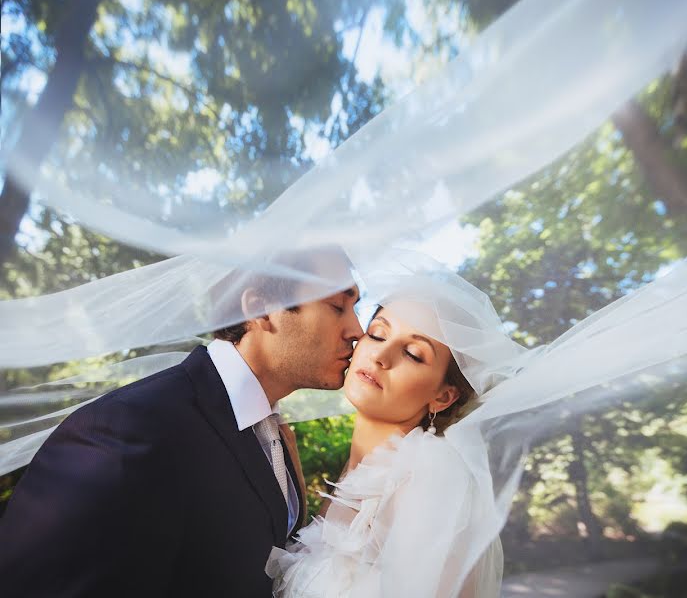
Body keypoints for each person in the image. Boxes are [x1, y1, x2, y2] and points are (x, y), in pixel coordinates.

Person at [0, 254, 364, 597]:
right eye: (337, 306)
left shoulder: (273, 435)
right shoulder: (128, 430)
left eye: (355, 307)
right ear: (260, 309)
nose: (357, 330)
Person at [266, 300, 505, 598]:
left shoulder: (429, 477)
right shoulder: (348, 477)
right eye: (378, 334)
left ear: (443, 397)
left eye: (413, 354)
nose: (381, 355)